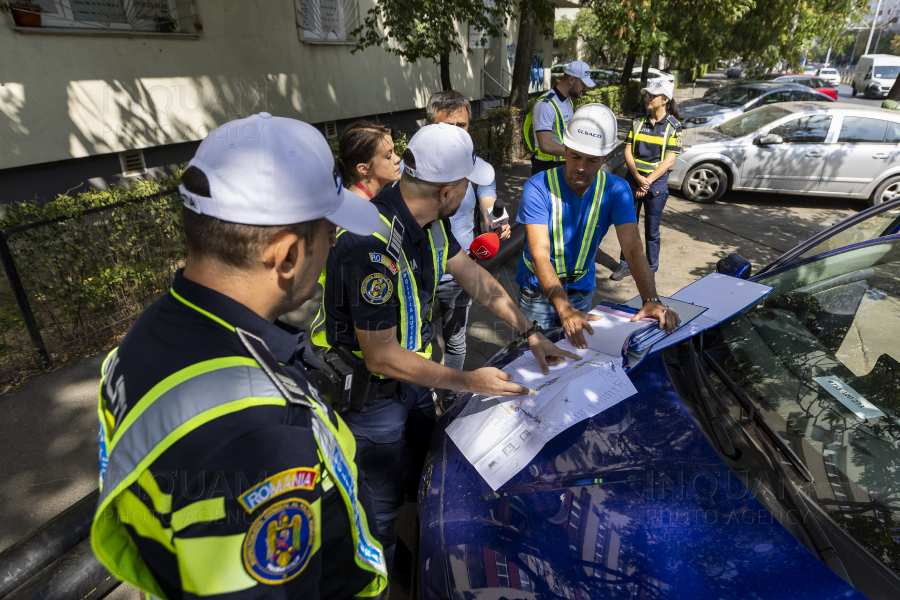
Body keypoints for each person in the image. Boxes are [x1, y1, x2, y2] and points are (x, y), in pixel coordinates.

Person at [91, 113, 389, 599]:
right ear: (288, 254)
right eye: (328, 235)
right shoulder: (265, 433)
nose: (333, 245)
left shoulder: (143, 339)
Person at [312, 123, 577, 574]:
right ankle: (379, 567)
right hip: (370, 399)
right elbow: (379, 354)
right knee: (377, 508)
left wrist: (531, 331)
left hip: (412, 380)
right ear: (449, 191)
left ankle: (411, 531)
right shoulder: (367, 241)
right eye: (466, 189)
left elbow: (475, 278)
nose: (468, 197)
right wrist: (470, 381)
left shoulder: (428, 224)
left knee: (423, 470)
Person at [516, 103, 681, 347]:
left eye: (592, 160)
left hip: (581, 290)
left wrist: (651, 298)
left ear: (605, 157)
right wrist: (564, 309)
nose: (581, 167)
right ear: (565, 147)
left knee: (576, 361)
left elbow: (633, 246)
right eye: (574, 156)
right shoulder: (538, 187)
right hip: (538, 295)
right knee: (534, 360)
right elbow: (540, 254)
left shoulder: (616, 189)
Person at [424, 91, 511, 409]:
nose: (458, 135)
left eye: (463, 126)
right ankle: (424, 392)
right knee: (417, 344)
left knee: (455, 340)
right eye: (448, 126)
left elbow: (490, 203)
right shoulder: (409, 167)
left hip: (460, 276)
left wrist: (496, 219)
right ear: (428, 126)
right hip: (416, 280)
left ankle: (449, 396)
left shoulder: (478, 168)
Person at [610, 80, 683, 281]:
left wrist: (647, 181)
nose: (648, 98)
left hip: (655, 184)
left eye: (653, 95)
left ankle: (650, 268)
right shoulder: (637, 122)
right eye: (647, 95)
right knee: (628, 225)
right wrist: (637, 177)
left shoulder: (673, 127)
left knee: (652, 228)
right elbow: (627, 151)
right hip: (634, 180)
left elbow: (669, 160)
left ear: (666, 100)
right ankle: (625, 265)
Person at [524, 60, 595, 175]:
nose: (586, 88)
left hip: (564, 165)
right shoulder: (546, 105)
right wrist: (579, 152)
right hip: (546, 169)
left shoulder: (568, 101)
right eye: (583, 83)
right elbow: (545, 145)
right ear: (571, 80)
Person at [337, 120, 402, 201]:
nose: (397, 159)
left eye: (393, 151)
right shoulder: (361, 206)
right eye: (388, 156)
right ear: (364, 169)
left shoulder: (363, 200)